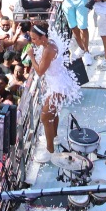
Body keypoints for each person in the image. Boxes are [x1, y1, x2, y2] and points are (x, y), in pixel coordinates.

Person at [29, 22, 82, 156]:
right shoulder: (50, 42)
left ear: (42, 37)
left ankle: (50, 151)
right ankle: (54, 137)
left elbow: (40, 71)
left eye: (34, 39)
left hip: (58, 86)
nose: (33, 41)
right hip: (58, 82)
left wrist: (31, 57)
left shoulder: (47, 50)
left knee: (45, 117)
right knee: (54, 112)